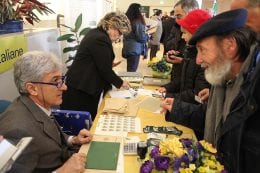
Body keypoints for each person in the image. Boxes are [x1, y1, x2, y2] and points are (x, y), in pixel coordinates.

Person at [161, 9, 259, 172]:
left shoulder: (252, 90)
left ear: (230, 46)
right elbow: (215, 121)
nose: (198, 60)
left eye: (203, 50)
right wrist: (177, 108)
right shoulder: (225, 80)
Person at [0, 51, 92, 172]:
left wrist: (73, 140)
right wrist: (62, 171)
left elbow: (50, 135)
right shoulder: (17, 130)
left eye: (61, 80)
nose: (64, 87)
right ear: (32, 89)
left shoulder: (37, 105)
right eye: (55, 81)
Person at [61, 12, 131, 120]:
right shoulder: (100, 39)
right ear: (111, 26)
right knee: (80, 126)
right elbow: (104, 70)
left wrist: (108, 63)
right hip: (81, 90)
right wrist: (120, 83)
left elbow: (97, 61)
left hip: (81, 86)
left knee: (84, 124)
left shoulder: (96, 33)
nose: (119, 36)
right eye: (120, 32)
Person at [161, 9, 211, 139]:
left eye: (185, 33)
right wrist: (167, 89)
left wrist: (170, 95)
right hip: (186, 112)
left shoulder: (202, 60)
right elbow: (184, 80)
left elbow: (197, 94)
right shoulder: (190, 52)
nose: (182, 37)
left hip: (194, 119)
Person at [159, 0, 199, 97]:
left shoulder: (199, 43)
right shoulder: (176, 27)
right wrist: (175, 54)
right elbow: (169, 43)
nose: (176, 19)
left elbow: (198, 93)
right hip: (179, 79)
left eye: (179, 16)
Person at [122, 3, 149, 72]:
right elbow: (141, 37)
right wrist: (148, 35)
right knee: (132, 70)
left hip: (127, 47)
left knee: (130, 68)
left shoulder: (126, 21)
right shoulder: (137, 21)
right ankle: (129, 82)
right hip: (134, 49)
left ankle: (129, 81)